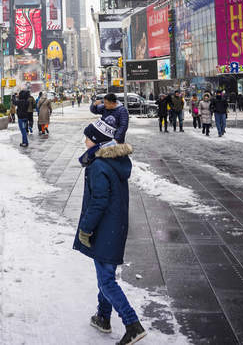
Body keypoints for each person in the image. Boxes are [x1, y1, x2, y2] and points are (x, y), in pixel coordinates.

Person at [73, 119, 146, 345]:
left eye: (87, 136)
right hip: (115, 225)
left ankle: (132, 324)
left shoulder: (98, 166)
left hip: (104, 227)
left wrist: (86, 228)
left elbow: (99, 201)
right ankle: (103, 317)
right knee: (105, 272)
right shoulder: (115, 160)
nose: (84, 140)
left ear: (96, 141)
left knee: (106, 280)